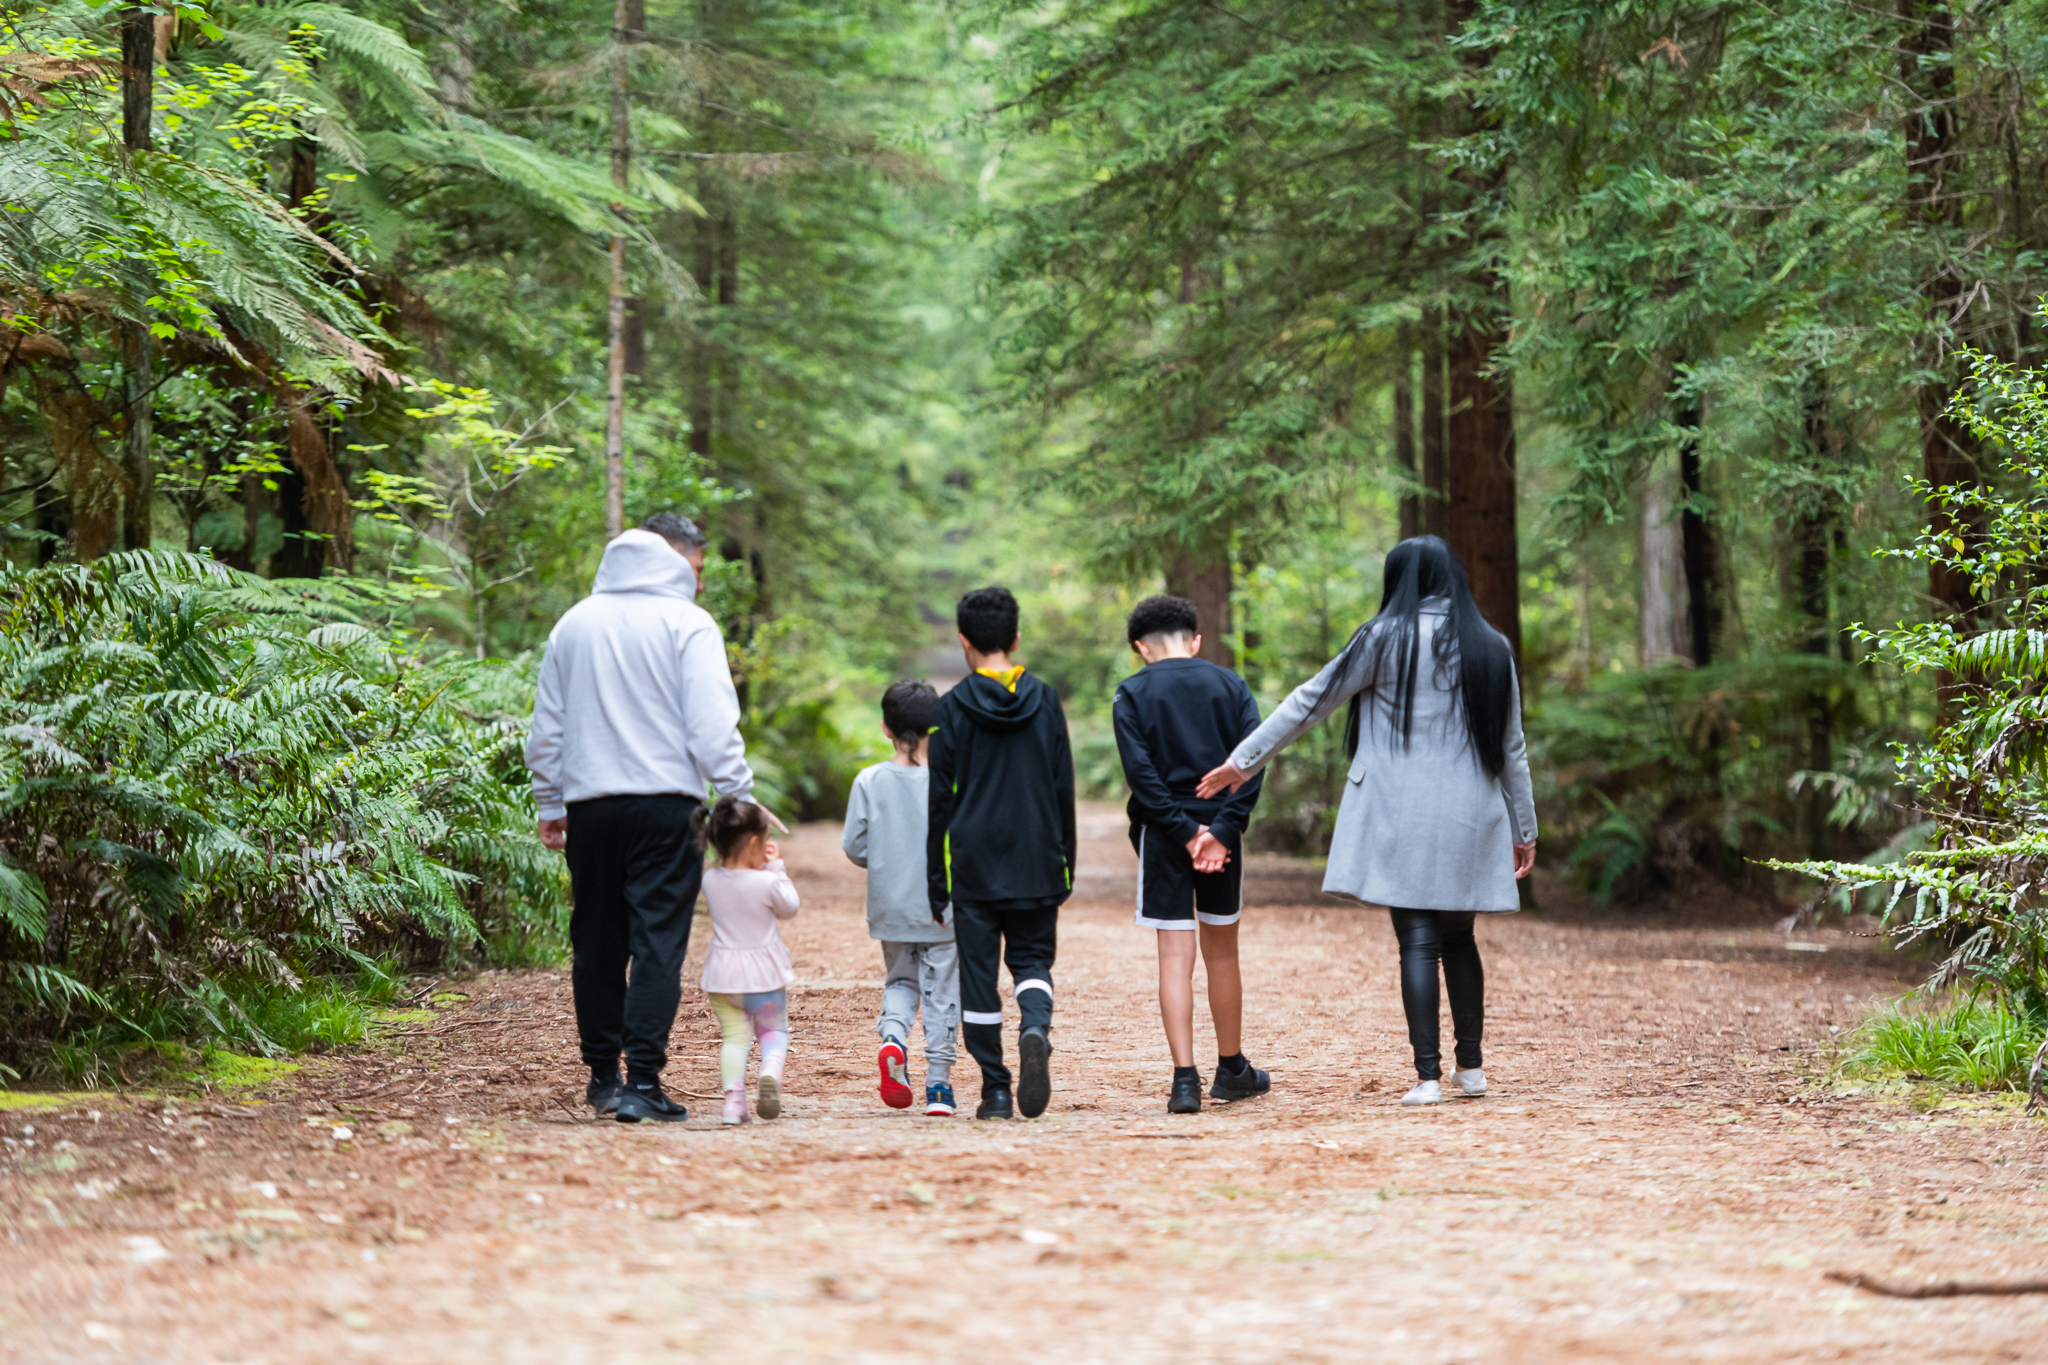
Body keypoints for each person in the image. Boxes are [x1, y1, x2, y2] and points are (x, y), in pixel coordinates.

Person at [1197, 535, 1537, 1107]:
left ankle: (1428, 1077)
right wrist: (1524, 827)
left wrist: (1242, 761)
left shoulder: (1384, 638)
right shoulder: (1491, 645)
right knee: (1459, 939)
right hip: (1470, 812)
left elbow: (1311, 701)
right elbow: (1513, 747)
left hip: (1399, 813)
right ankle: (1471, 1069)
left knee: (1417, 940)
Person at [525, 512, 784, 1125]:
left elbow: (547, 728)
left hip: (590, 807)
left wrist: (549, 801)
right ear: (673, 564)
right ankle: (643, 1080)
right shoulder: (688, 623)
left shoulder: (574, 624)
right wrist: (737, 796)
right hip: (668, 807)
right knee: (657, 945)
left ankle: (601, 1080)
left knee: (595, 940)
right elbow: (712, 723)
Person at [1112, 595, 1270, 1114]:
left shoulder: (1131, 693)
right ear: (1195, 640)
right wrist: (1220, 831)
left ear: (1140, 647)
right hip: (1222, 841)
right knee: (1222, 952)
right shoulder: (1231, 685)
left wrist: (1183, 832)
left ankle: (1184, 1079)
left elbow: (1142, 776)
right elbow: (1253, 759)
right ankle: (1232, 1070)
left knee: (1173, 959)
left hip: (1163, 838)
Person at [928, 586, 1077, 1121]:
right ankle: (1034, 1027)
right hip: (1037, 858)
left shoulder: (948, 711)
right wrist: (1068, 862)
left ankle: (994, 1089)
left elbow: (938, 801)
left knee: (978, 977)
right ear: (1015, 638)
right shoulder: (1045, 700)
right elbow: (1063, 788)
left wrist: (934, 879)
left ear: (965, 642)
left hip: (975, 866)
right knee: (1033, 961)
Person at [843, 680, 960, 1118]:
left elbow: (854, 846)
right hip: (942, 909)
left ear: (884, 728)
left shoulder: (869, 780)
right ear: (938, 728)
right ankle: (939, 1087)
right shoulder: (949, 779)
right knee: (944, 990)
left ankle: (893, 1039)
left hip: (890, 907)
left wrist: (887, 857)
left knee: (901, 982)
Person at [698, 796, 800, 1125]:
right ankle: (769, 1073)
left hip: (723, 976)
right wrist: (777, 868)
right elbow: (790, 908)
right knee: (773, 1033)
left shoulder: (710, 880)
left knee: (734, 1038)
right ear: (755, 842)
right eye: (767, 840)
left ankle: (733, 1103)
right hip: (764, 977)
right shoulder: (767, 881)